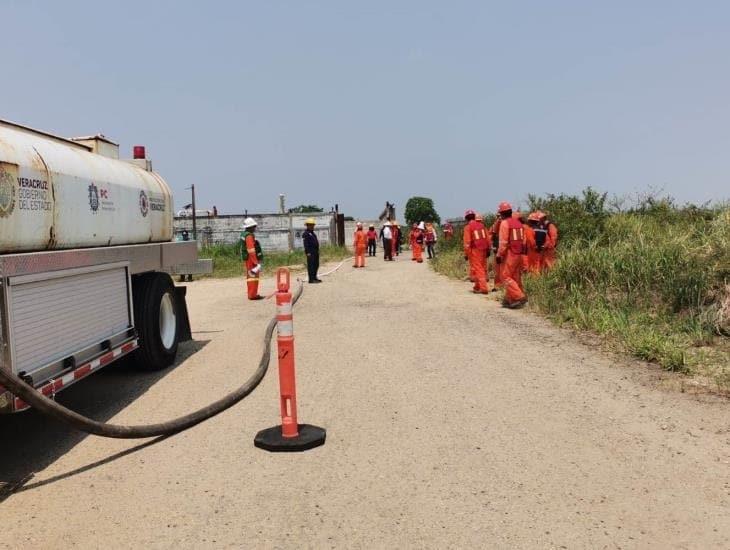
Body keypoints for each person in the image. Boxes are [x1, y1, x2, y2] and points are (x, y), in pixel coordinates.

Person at [496, 202, 527, 308]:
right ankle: (510, 299)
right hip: (519, 253)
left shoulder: (504, 223)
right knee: (515, 276)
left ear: (502, 213)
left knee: (505, 276)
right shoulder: (518, 223)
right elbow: (523, 241)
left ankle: (518, 296)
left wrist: (499, 255)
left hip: (510, 253)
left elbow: (503, 242)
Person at [463, 209, 490, 294]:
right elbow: (488, 238)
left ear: (466, 218)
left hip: (475, 250)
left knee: (478, 268)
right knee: (481, 267)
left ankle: (483, 288)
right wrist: (488, 249)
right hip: (484, 249)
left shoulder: (468, 227)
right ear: (474, 217)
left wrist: (466, 254)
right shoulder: (482, 225)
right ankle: (477, 286)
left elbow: (467, 242)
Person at [240, 217, 264, 300]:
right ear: (250, 227)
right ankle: (253, 295)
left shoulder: (244, 234)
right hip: (251, 260)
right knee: (253, 277)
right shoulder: (249, 236)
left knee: (250, 277)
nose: (255, 228)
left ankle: (251, 294)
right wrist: (256, 262)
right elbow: (251, 250)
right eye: (254, 226)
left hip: (248, 259)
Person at [303, 217, 322, 283]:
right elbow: (306, 244)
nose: (313, 226)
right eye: (311, 225)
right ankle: (311, 279)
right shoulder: (306, 233)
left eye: (313, 225)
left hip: (315, 252)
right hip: (310, 252)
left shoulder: (312, 233)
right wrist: (307, 252)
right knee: (311, 266)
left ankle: (315, 277)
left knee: (316, 265)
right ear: (308, 225)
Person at [489, 213, 503, 291]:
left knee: (498, 268)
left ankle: (498, 285)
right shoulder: (496, 224)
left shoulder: (497, 224)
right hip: (501, 248)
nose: (499, 218)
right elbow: (492, 236)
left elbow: (493, 235)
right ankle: (499, 286)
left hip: (500, 248)